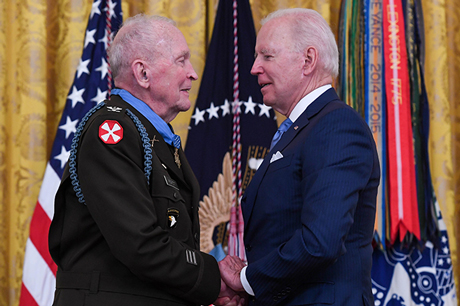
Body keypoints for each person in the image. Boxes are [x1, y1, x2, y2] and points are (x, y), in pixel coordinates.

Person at [49, 14, 241, 306]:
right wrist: (215, 278)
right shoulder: (111, 133)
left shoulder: (148, 135)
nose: (193, 73)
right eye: (181, 61)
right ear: (143, 74)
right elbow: (140, 243)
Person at [217, 8, 380, 306]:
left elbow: (320, 242)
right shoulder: (302, 130)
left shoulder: (336, 126)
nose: (254, 68)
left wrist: (245, 280)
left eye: (267, 56)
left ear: (307, 60)